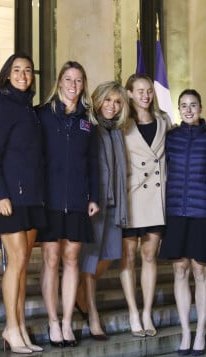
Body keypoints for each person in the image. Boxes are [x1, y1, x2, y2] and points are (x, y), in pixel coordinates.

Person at [0, 53, 45, 353]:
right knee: (16, 262)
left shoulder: (29, 108)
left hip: (32, 197)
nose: (23, 74)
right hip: (9, 197)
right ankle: (10, 326)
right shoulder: (0, 104)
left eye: (28, 70)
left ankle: (19, 328)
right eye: (17, 70)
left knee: (23, 266)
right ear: (7, 75)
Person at [37, 61, 100, 348]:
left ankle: (66, 323)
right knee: (51, 259)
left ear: (83, 85)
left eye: (78, 80)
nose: (73, 85)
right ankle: (52, 321)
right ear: (59, 82)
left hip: (77, 198)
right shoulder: (43, 114)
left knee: (72, 259)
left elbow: (94, 163)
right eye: (68, 79)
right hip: (48, 198)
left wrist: (94, 196)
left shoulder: (88, 120)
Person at [160, 89, 206, 356]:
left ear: (200, 107)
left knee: (200, 271)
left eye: (193, 105)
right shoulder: (170, 138)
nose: (188, 110)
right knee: (180, 270)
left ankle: (201, 332)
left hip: (202, 214)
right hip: (175, 213)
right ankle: (186, 332)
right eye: (183, 105)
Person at [76, 81, 130, 341]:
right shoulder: (89, 127)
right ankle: (92, 312)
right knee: (90, 258)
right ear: (97, 101)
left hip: (115, 202)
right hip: (94, 202)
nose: (112, 106)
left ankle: (78, 292)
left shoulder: (117, 131)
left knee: (109, 255)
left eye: (117, 102)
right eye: (107, 100)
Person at [120, 73, 171, 337]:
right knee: (128, 258)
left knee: (150, 256)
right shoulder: (122, 123)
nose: (145, 95)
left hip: (155, 200)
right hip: (130, 198)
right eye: (139, 90)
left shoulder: (164, 121)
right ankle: (132, 312)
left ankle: (147, 312)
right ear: (128, 93)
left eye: (148, 90)